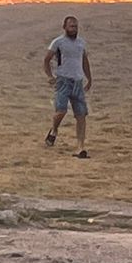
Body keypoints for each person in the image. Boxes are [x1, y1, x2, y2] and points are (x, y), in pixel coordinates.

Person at [42, 16, 93, 159]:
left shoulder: (81, 43)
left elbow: (84, 61)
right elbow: (46, 60)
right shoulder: (58, 43)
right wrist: (50, 76)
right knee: (61, 111)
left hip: (77, 81)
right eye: (71, 26)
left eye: (76, 26)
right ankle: (54, 130)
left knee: (81, 115)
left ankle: (80, 147)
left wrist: (89, 78)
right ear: (64, 27)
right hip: (63, 81)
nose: (74, 29)